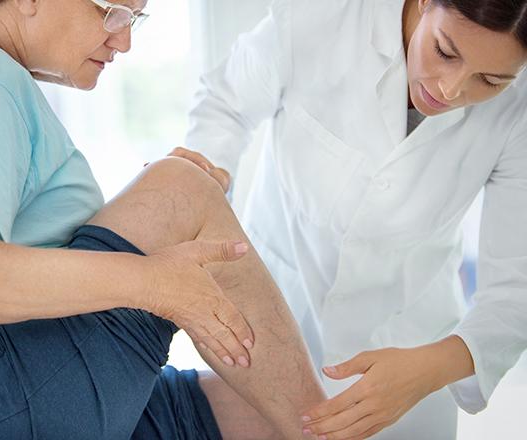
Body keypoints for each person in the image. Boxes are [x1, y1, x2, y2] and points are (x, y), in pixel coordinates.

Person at [0, 0, 329, 438]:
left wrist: (154, 217)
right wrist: (155, 280)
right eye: (111, 10)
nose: (125, 40)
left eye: (134, 17)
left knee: (264, 416)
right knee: (180, 188)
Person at [185, 0, 527, 438]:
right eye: (444, 51)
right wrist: (207, 179)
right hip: (274, 317)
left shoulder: (519, 109)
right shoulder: (323, 16)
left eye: (491, 80)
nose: (450, 89)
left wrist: (429, 369)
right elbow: (225, 104)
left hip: (411, 348)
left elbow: (514, 292)